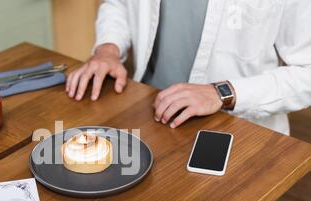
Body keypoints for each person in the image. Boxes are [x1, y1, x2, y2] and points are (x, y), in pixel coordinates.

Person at [66, 0, 311, 135]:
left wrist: (222, 93)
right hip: (148, 112)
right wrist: (108, 49)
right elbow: (118, 4)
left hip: (237, 129)